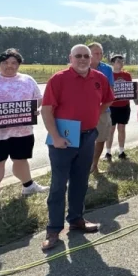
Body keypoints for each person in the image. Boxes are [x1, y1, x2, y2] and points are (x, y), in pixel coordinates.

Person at [40, 44, 114, 251]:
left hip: (88, 136)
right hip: (63, 138)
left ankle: (76, 220)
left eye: (86, 56)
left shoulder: (99, 78)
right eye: (78, 56)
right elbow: (47, 110)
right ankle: (53, 229)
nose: (82, 59)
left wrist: (94, 113)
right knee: (58, 184)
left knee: (81, 181)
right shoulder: (58, 79)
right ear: (70, 58)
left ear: (91, 58)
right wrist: (55, 136)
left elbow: (108, 100)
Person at [0, 48, 49, 208]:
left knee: (21, 159)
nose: (9, 66)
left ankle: (28, 186)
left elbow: (38, 99)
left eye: (14, 63)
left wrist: (33, 109)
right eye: (5, 62)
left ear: (19, 65)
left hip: (22, 131)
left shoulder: (27, 80)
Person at [88, 42, 115, 174]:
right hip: (83, 112)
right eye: (96, 53)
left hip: (103, 110)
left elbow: (110, 91)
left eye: (100, 53)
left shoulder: (107, 69)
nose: (99, 55)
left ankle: (94, 164)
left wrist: (100, 109)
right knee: (84, 140)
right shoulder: (80, 67)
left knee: (101, 138)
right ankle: (83, 165)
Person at [105, 54, 132, 161]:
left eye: (122, 61)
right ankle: (108, 152)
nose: (120, 63)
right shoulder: (108, 75)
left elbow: (130, 89)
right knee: (111, 130)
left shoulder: (127, 75)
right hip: (112, 107)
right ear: (112, 63)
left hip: (124, 105)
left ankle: (121, 152)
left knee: (122, 129)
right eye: (118, 61)